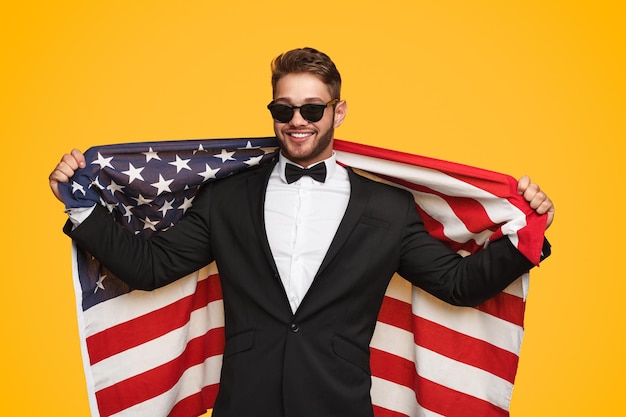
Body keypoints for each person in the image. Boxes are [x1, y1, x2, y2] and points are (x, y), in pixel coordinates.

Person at [49, 47, 554, 417]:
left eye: (312, 109)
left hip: (340, 404)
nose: (297, 121)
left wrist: (526, 236)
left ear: (338, 111)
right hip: (245, 404)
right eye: (283, 109)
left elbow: (456, 284)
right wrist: (83, 209)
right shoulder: (227, 199)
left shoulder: (388, 207)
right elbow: (150, 267)